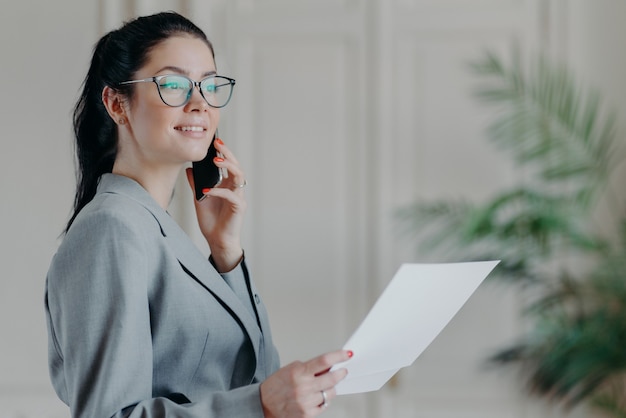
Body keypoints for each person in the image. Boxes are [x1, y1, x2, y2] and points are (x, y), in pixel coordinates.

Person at [44, 11, 352, 417]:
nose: (199, 104)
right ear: (117, 104)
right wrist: (259, 404)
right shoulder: (111, 229)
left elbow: (255, 371)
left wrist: (225, 253)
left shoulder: (156, 229)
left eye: (210, 84)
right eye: (173, 84)